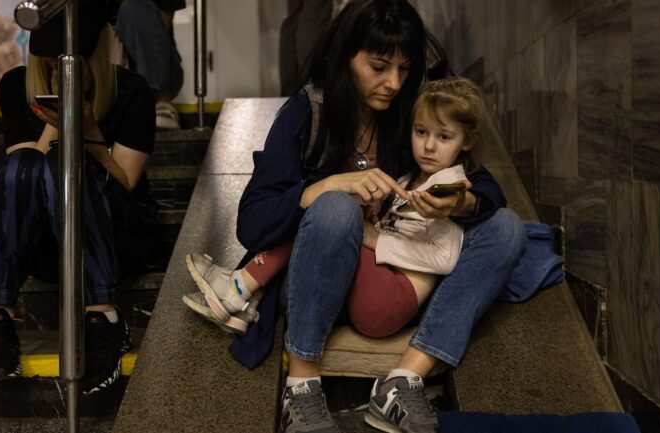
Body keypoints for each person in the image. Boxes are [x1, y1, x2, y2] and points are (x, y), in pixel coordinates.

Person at [193, 1, 524, 432]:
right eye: (379, 67)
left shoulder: (407, 114)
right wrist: (325, 187)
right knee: (336, 208)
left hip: (392, 275)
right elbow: (253, 223)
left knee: (506, 228)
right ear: (345, 56)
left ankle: (403, 381)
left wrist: (460, 203)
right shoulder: (308, 111)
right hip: (315, 280)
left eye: (404, 70)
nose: (393, 83)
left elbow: (488, 188)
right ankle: (302, 385)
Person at [182, 78, 486, 341]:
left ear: (468, 141)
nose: (429, 146)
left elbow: (444, 258)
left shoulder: (451, 188)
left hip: (392, 298)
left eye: (443, 137)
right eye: (421, 132)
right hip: (379, 282)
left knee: (328, 211)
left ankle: (241, 287)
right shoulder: (410, 176)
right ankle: (246, 292)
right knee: (327, 214)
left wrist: (373, 237)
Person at [0, 0, 158, 395]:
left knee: (65, 167)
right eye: (51, 59)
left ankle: (102, 315)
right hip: (46, 237)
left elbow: (125, 180)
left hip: (111, 229)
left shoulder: (132, 91)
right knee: (26, 164)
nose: (60, 65)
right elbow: (22, 182)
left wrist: (87, 129)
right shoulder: (15, 87)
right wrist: (58, 118)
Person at [114, 0, 185, 129]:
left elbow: (163, 24)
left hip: (157, 69)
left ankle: (160, 100)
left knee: (134, 7)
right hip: (107, 67)